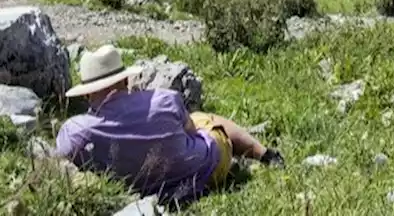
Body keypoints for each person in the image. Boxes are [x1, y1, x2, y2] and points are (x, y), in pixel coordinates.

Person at [54, 45, 283, 202]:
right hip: (207, 170)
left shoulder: (76, 132)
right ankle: (265, 154)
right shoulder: (164, 99)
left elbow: (62, 154)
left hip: (148, 192)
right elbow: (191, 132)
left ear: (86, 94)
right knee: (203, 119)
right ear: (125, 79)